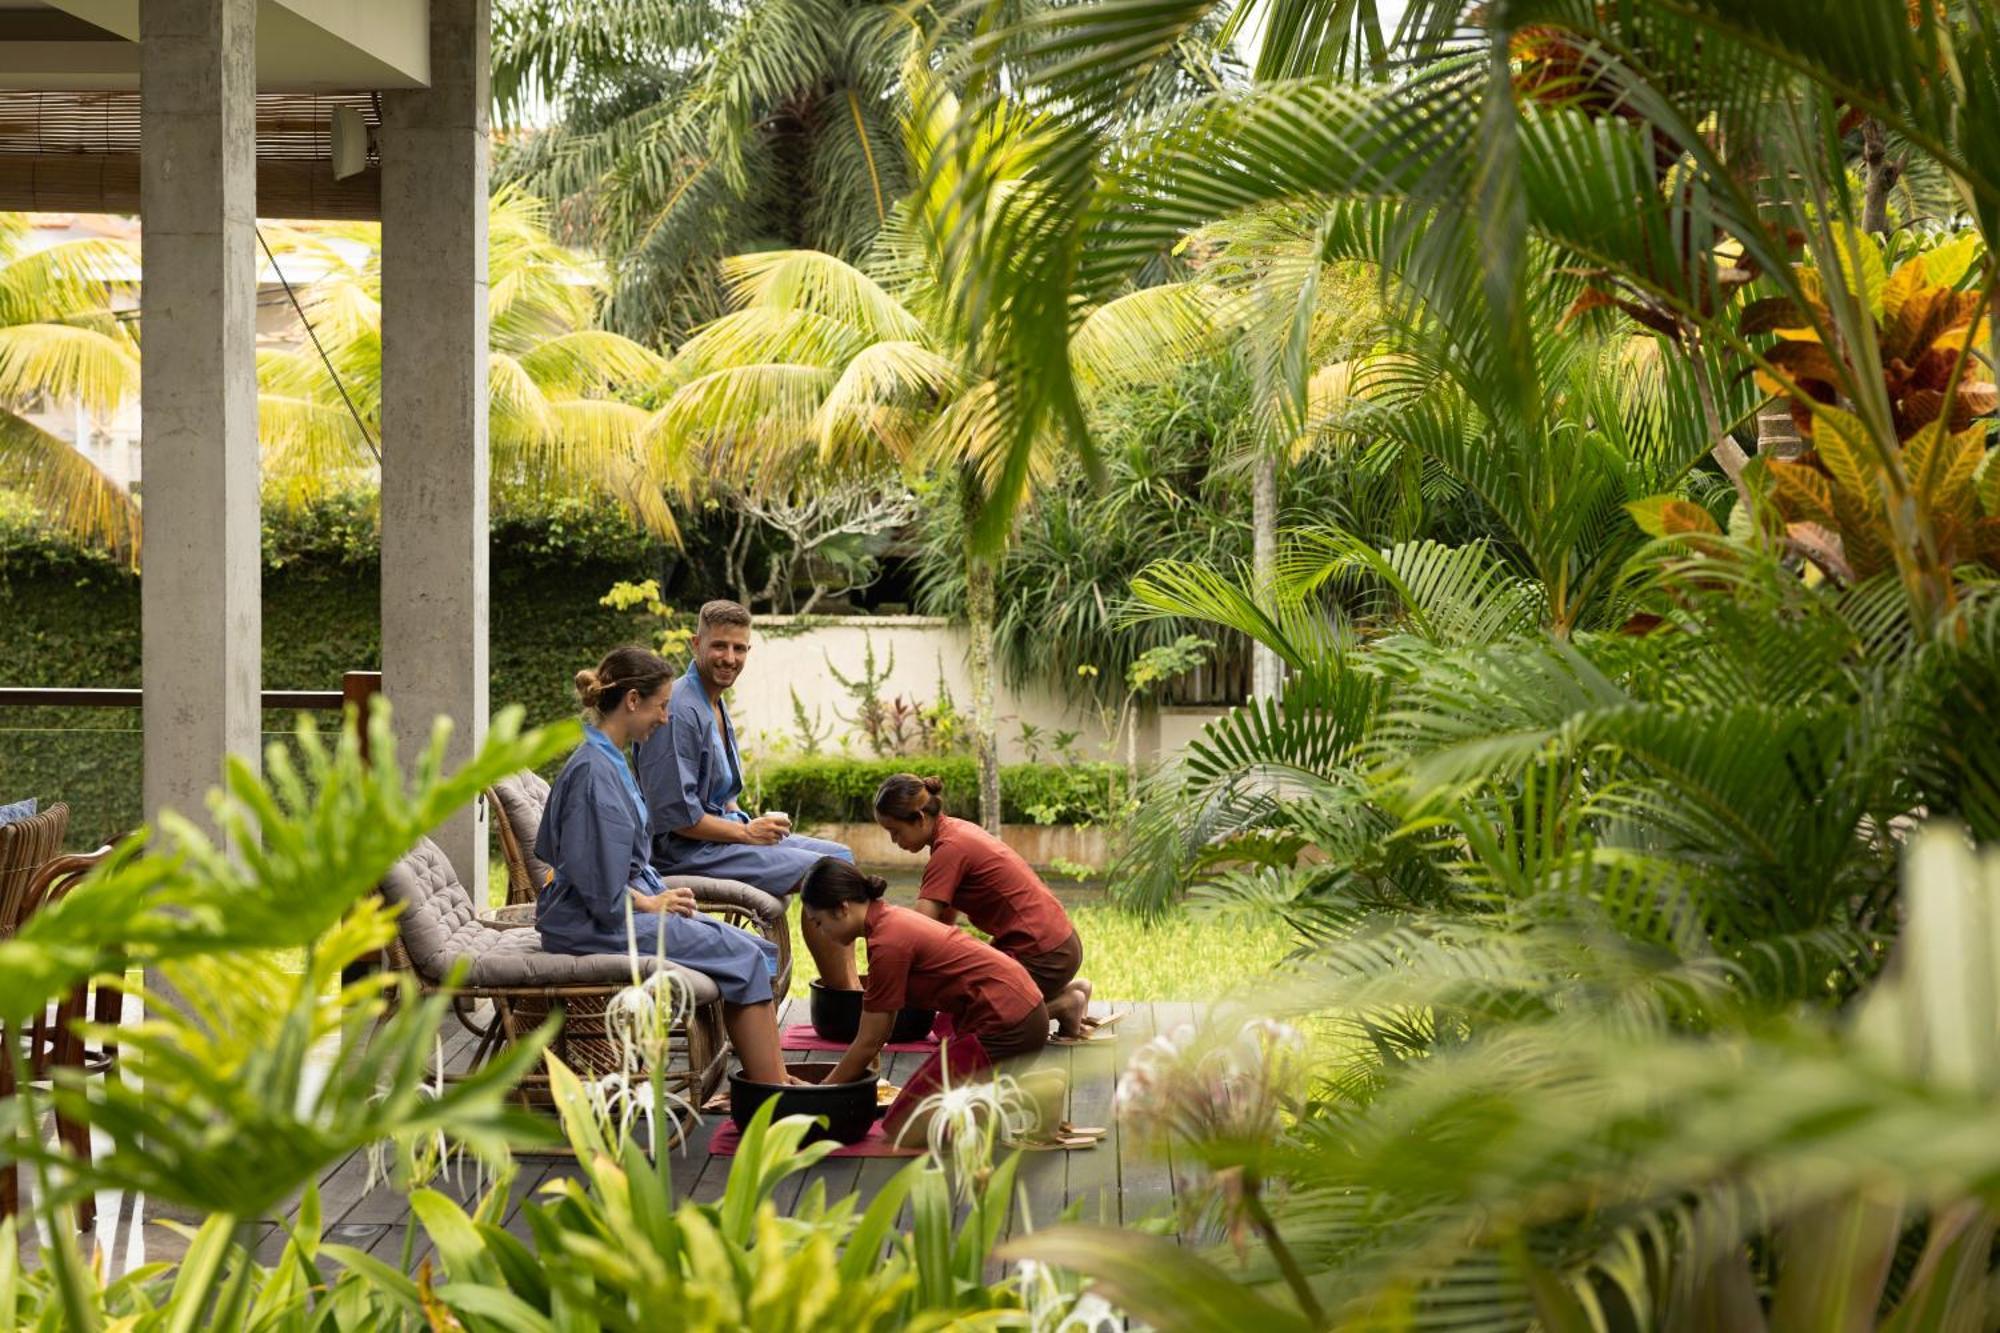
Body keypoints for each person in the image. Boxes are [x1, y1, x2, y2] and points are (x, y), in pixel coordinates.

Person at [535, 644, 793, 1084]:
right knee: (741, 956)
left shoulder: (608, 757)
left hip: (611, 910)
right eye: (661, 706)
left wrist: (654, 896)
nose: (665, 717)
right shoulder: (594, 773)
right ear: (632, 701)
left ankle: (774, 1079)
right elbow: (596, 885)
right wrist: (650, 904)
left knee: (750, 949)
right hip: (591, 923)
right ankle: (771, 1090)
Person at [634, 600, 855, 980]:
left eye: (739, 648)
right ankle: (845, 995)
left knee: (842, 858)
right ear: (695, 644)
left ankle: (844, 991)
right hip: (681, 853)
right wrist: (746, 833)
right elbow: (675, 818)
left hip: (722, 839)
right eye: (719, 645)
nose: (729, 657)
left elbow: (722, 792)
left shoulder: (713, 702)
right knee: (829, 875)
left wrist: (754, 824)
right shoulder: (679, 710)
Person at [801, 858, 1049, 1141]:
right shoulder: (886, 922)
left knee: (908, 1128)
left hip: (1007, 1025)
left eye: (819, 922)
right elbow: (878, 1028)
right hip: (1018, 1011)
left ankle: (1035, 1096)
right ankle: (1019, 1093)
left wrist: (819, 1093)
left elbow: (871, 1038)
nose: (821, 932)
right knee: (905, 1118)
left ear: (842, 909)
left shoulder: (887, 942)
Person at [868, 774, 1113, 1041]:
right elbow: (941, 921)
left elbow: (916, 929)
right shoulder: (956, 830)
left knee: (958, 1032)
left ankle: (1064, 1005)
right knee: (952, 1015)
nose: (894, 840)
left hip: (1044, 956)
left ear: (919, 819)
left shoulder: (949, 849)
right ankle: (1069, 992)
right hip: (1058, 944)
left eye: (895, 832)